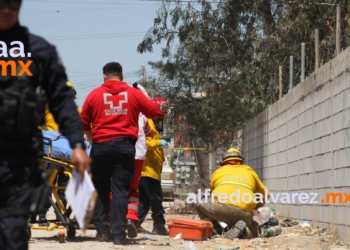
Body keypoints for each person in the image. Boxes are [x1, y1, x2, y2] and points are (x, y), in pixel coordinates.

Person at [0, 1, 90, 250]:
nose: (6, 10)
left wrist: (77, 144)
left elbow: (62, 101)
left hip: (19, 157)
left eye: (12, 4)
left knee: (12, 232)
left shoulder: (39, 50)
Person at [80, 62, 168, 245]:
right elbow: (153, 111)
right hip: (125, 148)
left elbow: (82, 122)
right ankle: (119, 235)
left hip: (101, 147)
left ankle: (102, 231)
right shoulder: (133, 94)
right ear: (122, 76)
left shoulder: (94, 95)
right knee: (121, 190)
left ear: (104, 76)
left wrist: (91, 136)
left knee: (101, 188)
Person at [196, 148, 270, 239]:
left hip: (221, 209)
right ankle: (244, 232)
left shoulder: (218, 172)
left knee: (199, 205)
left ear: (223, 162)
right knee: (255, 230)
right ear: (240, 161)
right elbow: (266, 193)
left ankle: (216, 231)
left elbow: (212, 196)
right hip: (245, 213)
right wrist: (256, 206)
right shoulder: (249, 170)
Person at [37, 81, 80, 225]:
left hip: (65, 154)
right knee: (48, 184)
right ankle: (42, 215)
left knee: (65, 185)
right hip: (50, 152)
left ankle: (61, 213)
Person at [137, 97, 170, 236]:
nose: (161, 118)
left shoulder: (154, 125)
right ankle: (159, 225)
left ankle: (135, 223)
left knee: (145, 200)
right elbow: (145, 142)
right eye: (159, 115)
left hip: (151, 170)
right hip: (147, 169)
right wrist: (158, 143)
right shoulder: (147, 122)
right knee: (156, 198)